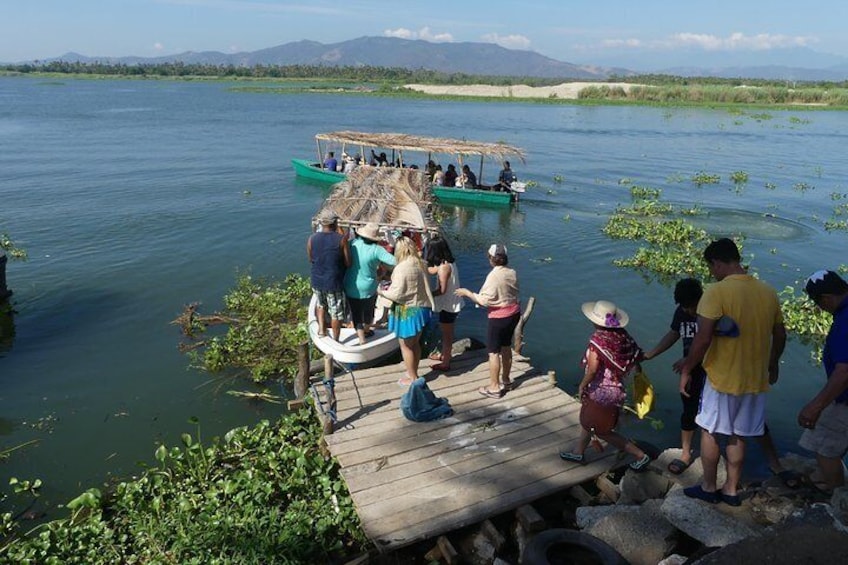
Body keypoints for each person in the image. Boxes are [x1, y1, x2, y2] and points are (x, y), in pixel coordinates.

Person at [680, 238, 786, 506]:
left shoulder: (715, 292)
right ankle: (731, 490)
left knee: (710, 431)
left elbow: (702, 339)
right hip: (755, 379)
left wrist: (687, 369)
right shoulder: (768, 291)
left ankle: (708, 487)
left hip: (722, 378)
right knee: (739, 434)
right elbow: (780, 334)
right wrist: (773, 362)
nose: (712, 273)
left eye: (711, 267)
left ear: (717, 262)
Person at [559, 300, 652, 471]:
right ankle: (578, 451)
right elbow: (635, 357)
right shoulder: (622, 337)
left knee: (602, 430)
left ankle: (640, 455)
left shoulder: (598, 342)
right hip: (616, 390)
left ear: (595, 320)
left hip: (602, 392)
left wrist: (582, 385)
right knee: (590, 422)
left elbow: (593, 369)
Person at [643, 278, 705, 474]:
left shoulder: (710, 313)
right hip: (690, 369)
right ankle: (686, 453)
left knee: (709, 413)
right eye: (684, 307)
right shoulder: (682, 311)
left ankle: (709, 454)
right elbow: (674, 333)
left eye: (691, 306)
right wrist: (650, 354)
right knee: (688, 409)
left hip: (710, 369)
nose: (688, 311)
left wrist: (688, 360)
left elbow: (713, 342)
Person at [798, 270, 848, 493]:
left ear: (826, 298)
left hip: (845, 400)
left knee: (823, 443)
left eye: (818, 303)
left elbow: (844, 371)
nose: (820, 308)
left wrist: (815, 406)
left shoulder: (845, 321)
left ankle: (835, 494)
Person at [455, 244, 520, 399]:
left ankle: (494, 387)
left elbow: (484, 301)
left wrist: (467, 293)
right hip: (514, 313)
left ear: (491, 258)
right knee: (506, 347)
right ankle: (506, 380)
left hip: (499, 318)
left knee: (493, 353)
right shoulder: (512, 272)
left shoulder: (493, 276)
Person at [378, 236, 434, 386]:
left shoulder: (401, 268)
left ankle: (413, 378)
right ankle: (413, 371)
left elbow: (396, 294)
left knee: (406, 346)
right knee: (416, 344)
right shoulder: (422, 264)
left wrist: (382, 292)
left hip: (407, 311)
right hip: (421, 309)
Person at [343, 223, 397, 345]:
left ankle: (361, 338)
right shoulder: (377, 250)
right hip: (369, 287)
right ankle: (367, 330)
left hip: (351, 285)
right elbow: (394, 262)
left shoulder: (353, 244)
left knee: (355, 312)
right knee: (369, 311)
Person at [307, 211, 350, 341]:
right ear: (335, 223)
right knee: (336, 313)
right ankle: (336, 339)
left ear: (321, 223)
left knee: (321, 304)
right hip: (334, 282)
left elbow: (311, 259)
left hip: (317, 280)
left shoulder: (312, 238)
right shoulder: (341, 239)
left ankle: (321, 329)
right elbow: (348, 262)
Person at [425, 236, 462, 371]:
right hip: (452, 303)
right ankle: (444, 355)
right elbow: (431, 270)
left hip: (448, 306)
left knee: (446, 335)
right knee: (447, 332)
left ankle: (445, 363)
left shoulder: (444, 268)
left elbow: (442, 290)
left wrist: (428, 294)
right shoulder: (448, 263)